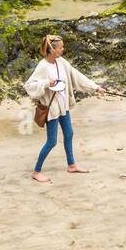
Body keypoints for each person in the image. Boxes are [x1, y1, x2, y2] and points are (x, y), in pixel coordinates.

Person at [25, 34, 107, 183]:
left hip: (63, 106)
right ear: (52, 50)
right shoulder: (43, 66)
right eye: (61, 47)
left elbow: (76, 75)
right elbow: (29, 86)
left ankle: (72, 165)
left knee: (69, 133)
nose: (63, 49)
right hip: (52, 109)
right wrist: (46, 83)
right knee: (52, 142)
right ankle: (36, 171)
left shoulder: (61, 62)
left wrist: (96, 87)